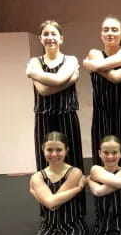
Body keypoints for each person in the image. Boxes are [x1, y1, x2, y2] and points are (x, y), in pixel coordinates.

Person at [26, 20, 84, 175]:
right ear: (40, 38)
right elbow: (43, 90)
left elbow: (57, 80)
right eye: (45, 34)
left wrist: (33, 73)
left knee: (72, 159)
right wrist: (71, 80)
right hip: (44, 117)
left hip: (67, 115)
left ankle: (74, 197)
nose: (50, 37)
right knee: (45, 159)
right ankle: (48, 197)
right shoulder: (35, 61)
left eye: (53, 34)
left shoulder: (70, 60)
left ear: (61, 38)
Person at [83, 16, 121, 172]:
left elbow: (115, 77)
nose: (110, 33)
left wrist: (89, 64)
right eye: (106, 30)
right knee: (101, 163)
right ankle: (102, 196)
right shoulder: (94, 53)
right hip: (101, 116)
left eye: (114, 30)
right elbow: (111, 73)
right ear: (101, 35)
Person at [29, 131, 87, 235]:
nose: (54, 154)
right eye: (49, 150)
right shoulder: (38, 176)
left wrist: (36, 193)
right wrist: (78, 188)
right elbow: (51, 203)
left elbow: (53, 203)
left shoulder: (74, 172)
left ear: (66, 150)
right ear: (43, 149)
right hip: (48, 226)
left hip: (72, 225)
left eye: (59, 150)